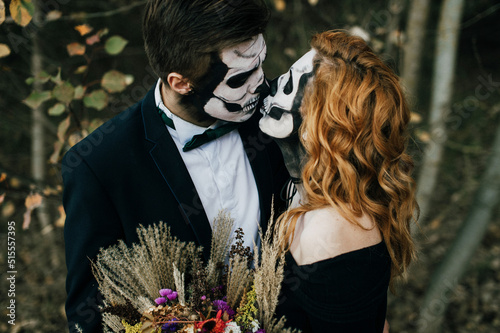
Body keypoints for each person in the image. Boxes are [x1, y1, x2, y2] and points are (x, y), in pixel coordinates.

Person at [62, 1, 289, 331]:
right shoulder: (97, 166)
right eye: (241, 78)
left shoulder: (280, 115)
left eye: (261, 64)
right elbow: (91, 313)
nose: (263, 84)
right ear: (181, 82)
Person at [259, 30, 418, 332]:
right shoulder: (310, 189)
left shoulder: (332, 229)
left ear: (316, 128)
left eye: (291, 84)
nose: (274, 85)